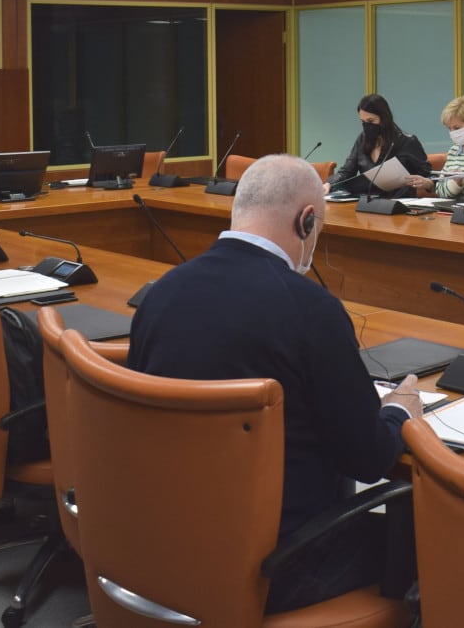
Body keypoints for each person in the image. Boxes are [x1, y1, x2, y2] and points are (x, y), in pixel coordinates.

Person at [128, 155, 424, 613]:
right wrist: (400, 410)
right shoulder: (311, 310)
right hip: (278, 563)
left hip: (164, 539)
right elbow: (367, 459)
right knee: (429, 542)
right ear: (307, 220)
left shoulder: (161, 293)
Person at [325, 93, 431, 198]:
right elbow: (347, 172)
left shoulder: (407, 142)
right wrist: (328, 184)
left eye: (371, 121)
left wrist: (425, 182)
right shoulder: (362, 139)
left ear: (384, 118)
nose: (367, 126)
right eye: (363, 121)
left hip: (399, 204)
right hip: (366, 202)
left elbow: (428, 175)